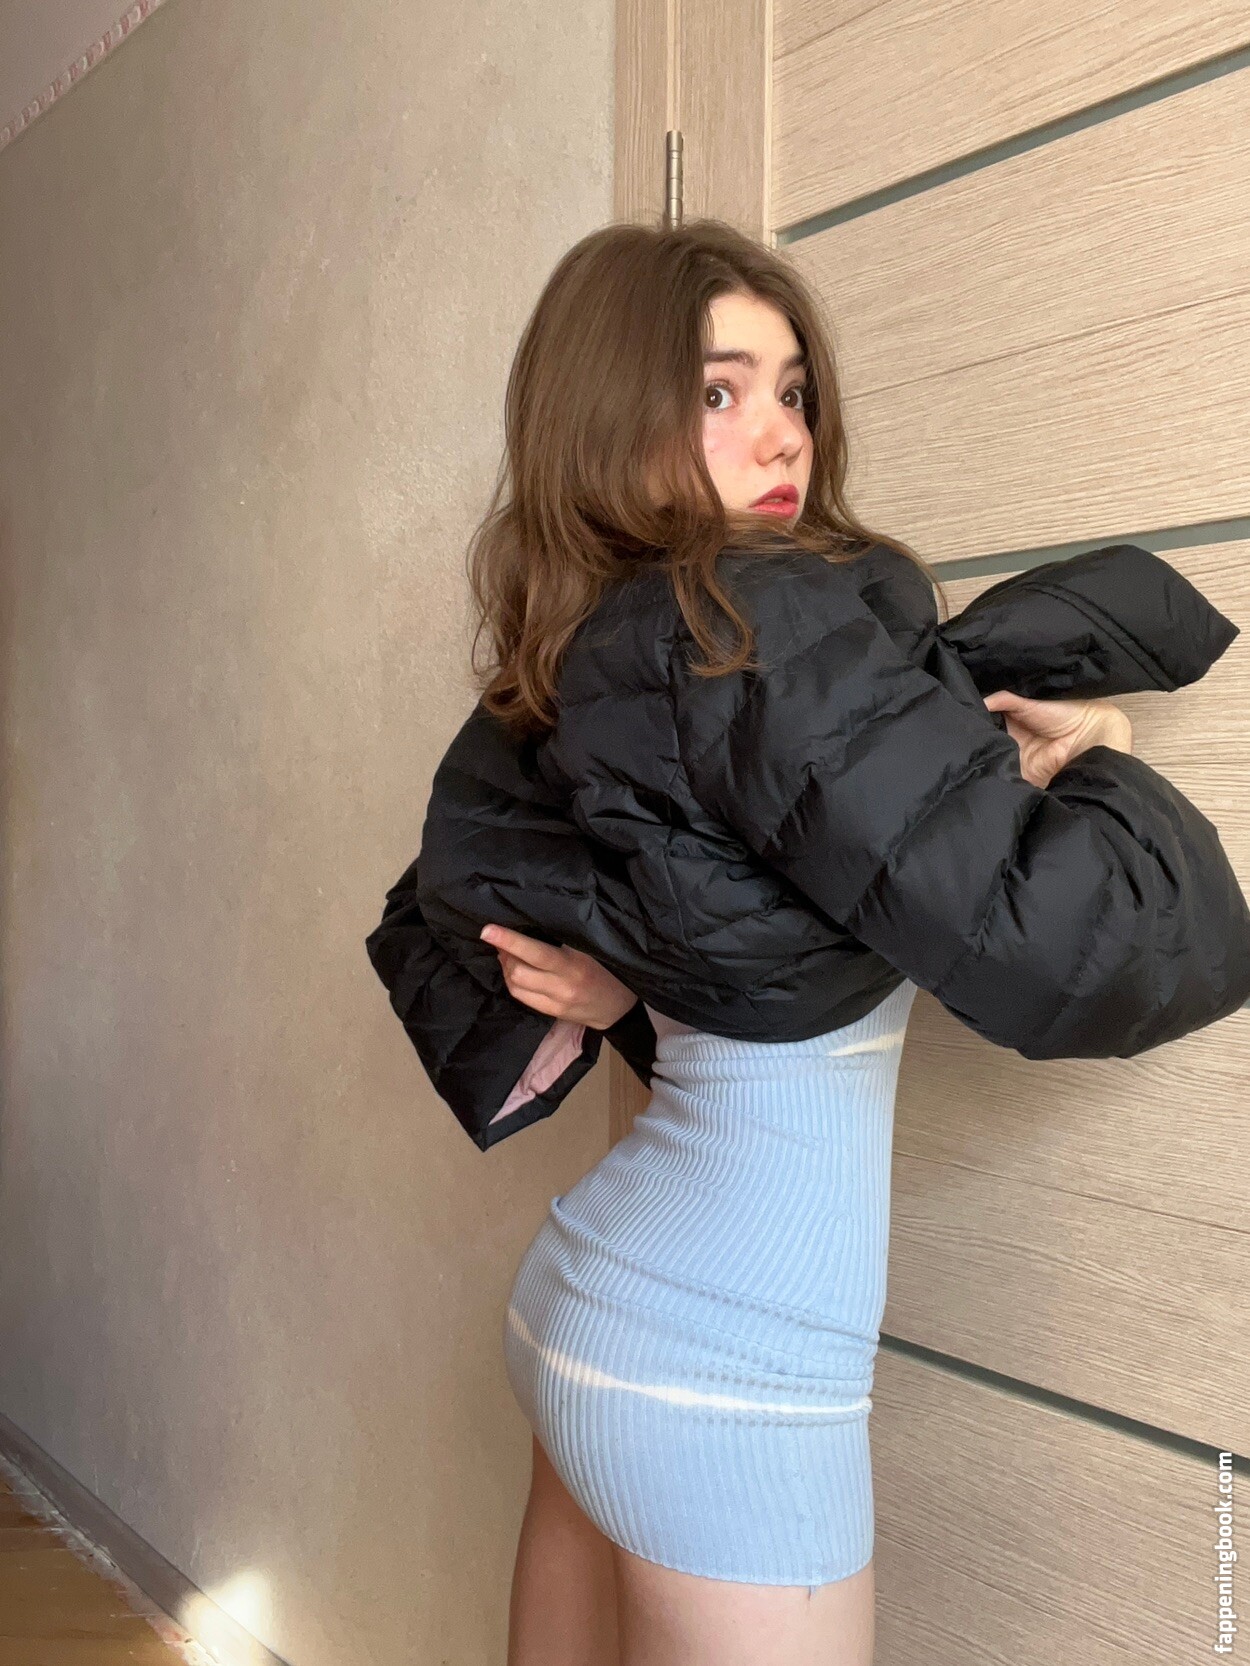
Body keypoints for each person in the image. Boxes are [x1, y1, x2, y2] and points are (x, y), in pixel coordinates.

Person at [366, 218, 1249, 1666]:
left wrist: (627, 982)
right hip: (728, 1361)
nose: (779, 433)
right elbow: (1080, 952)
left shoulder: (620, 646)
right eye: (717, 393)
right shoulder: (759, 625)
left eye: (791, 391)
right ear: (607, 417)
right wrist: (1099, 764)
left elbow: (738, 935)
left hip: (597, 1301)